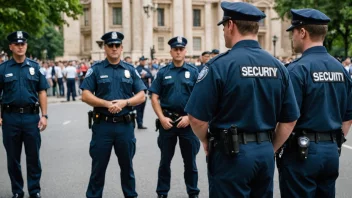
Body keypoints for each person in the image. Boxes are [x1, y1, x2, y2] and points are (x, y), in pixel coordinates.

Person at [185, 2, 300, 197]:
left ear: (230, 25)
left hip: (230, 154)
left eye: (223, 26)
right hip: (264, 152)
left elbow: (196, 118)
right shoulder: (278, 66)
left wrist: (206, 141)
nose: (223, 31)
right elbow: (290, 119)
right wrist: (268, 147)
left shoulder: (219, 66)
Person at [278, 9, 352, 198]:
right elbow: (348, 118)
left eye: (293, 32)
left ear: (302, 32)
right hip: (331, 152)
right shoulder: (341, 70)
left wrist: (273, 148)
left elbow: (289, 119)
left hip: (301, 152)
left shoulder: (297, 70)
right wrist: (333, 144)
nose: (292, 38)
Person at [80, 31, 146, 198]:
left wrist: (125, 102)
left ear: (122, 48)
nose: (114, 48)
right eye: (111, 45)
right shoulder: (96, 69)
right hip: (103, 126)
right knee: (98, 168)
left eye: (117, 45)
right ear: (105, 48)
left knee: (127, 167)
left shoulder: (130, 70)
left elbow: (142, 95)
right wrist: (106, 103)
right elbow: (85, 95)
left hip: (125, 126)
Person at [0, 31, 49, 198]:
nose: (20, 47)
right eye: (17, 44)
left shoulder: (35, 68)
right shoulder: (3, 69)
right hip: (10, 118)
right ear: (11, 47)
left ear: (26, 46)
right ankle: (17, 191)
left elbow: (42, 91)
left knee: (33, 157)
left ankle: (34, 190)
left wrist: (44, 115)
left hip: (31, 117)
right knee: (13, 158)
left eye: (23, 44)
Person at [149, 36, 200, 198]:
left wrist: (189, 118)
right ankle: (162, 193)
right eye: (175, 49)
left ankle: (193, 193)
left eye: (181, 49)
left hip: (187, 123)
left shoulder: (194, 72)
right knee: (165, 162)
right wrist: (162, 118)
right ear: (170, 51)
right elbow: (154, 97)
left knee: (190, 163)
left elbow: (200, 98)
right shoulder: (163, 72)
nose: (178, 52)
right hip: (167, 123)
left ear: (185, 51)